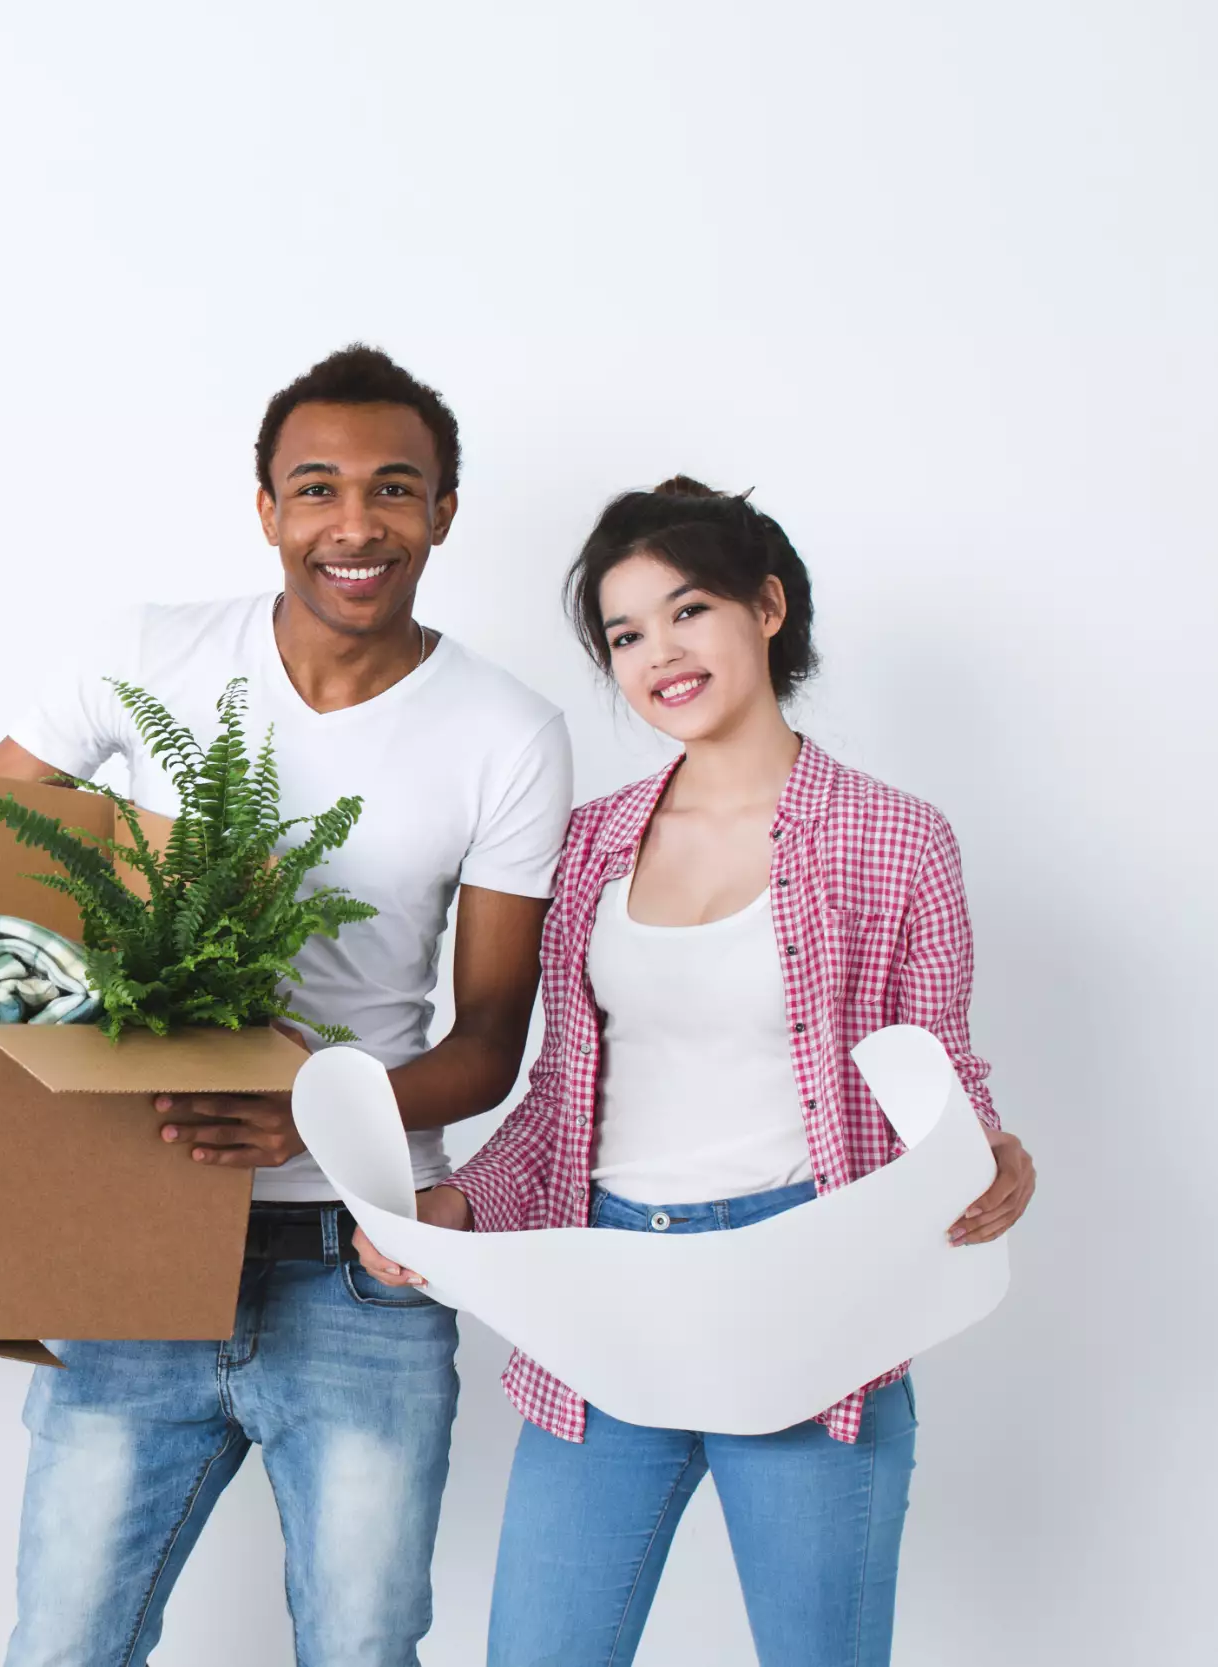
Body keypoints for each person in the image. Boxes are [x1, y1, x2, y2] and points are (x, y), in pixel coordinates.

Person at [0, 343, 573, 1665]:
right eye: (317, 488)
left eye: (394, 489)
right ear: (266, 508)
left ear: (444, 511)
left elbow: (489, 1041)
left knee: (364, 1649)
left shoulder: (507, 729)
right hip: (125, 1243)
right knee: (65, 1645)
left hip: (361, 1265)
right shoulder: (150, 656)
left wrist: (315, 1109)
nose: (354, 523)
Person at [355, 477, 1038, 1666]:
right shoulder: (592, 840)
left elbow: (934, 1067)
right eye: (625, 634)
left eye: (687, 611)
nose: (658, 653)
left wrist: (991, 1150)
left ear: (766, 607)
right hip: (605, 1293)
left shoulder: (897, 836)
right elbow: (560, 1099)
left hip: (810, 1293)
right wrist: (456, 1204)